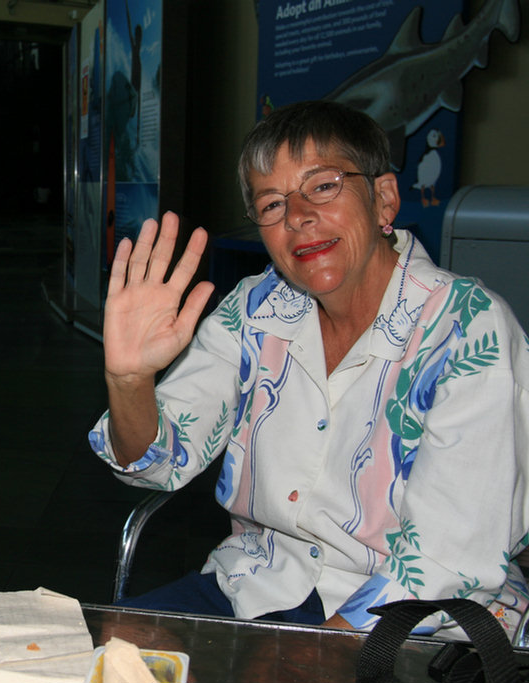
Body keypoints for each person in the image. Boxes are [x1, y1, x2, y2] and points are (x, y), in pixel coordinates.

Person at [89, 99, 529, 640]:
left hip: (415, 622)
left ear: (384, 198)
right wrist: (129, 381)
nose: (297, 215)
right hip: (254, 585)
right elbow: (159, 463)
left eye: (323, 186)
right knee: (107, 657)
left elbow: (447, 560)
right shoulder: (253, 311)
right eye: (272, 203)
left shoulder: (467, 328)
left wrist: (307, 655)